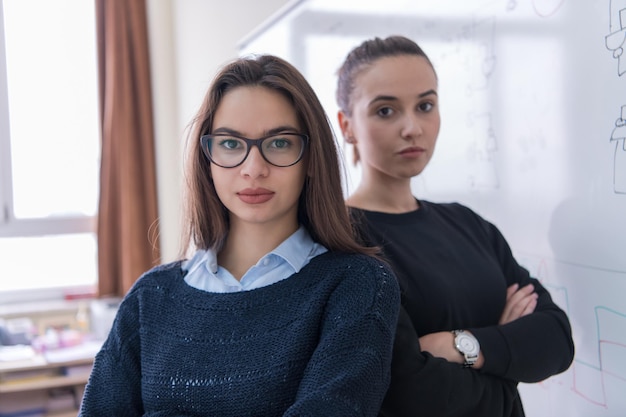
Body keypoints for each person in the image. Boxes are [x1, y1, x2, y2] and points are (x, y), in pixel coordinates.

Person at [79, 54, 400, 416]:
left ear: (311, 159)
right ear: (208, 159)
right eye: (231, 144)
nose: (253, 169)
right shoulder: (150, 297)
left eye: (279, 143)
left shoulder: (358, 285)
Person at [335, 35, 575, 417]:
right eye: (385, 111)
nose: (412, 127)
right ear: (347, 125)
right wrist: (507, 358)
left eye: (425, 105)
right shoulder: (341, 240)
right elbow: (411, 394)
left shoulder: (468, 224)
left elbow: (557, 340)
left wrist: (460, 346)